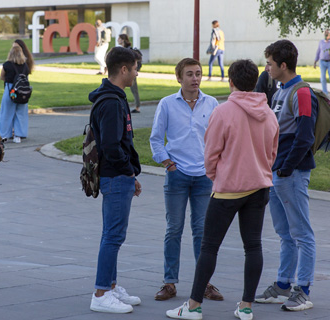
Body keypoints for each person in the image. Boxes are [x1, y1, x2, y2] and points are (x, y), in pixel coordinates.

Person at [166, 59, 279, 320]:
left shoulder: (223, 111)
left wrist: (219, 177)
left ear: (231, 82)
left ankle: (193, 306)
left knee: (209, 247)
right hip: (259, 187)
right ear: (255, 82)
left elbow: (211, 154)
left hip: (228, 189)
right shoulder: (269, 113)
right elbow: (272, 153)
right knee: (253, 246)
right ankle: (246, 306)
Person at [150, 58, 223, 302]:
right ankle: (169, 282)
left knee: (202, 232)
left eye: (198, 73)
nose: (195, 78)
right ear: (179, 78)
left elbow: (219, 138)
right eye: (190, 74)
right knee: (174, 228)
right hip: (177, 175)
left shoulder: (212, 103)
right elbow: (156, 139)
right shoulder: (167, 104)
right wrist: (167, 163)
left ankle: (204, 284)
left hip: (204, 177)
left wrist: (214, 166)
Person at [255, 40, 318, 312]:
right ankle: (282, 285)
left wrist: (285, 168)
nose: (266, 68)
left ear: (283, 65)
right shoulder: (280, 90)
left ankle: (302, 289)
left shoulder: (302, 93)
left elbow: (305, 137)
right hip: (277, 173)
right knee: (284, 233)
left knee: (301, 233)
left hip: (289, 173)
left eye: (269, 63)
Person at [88, 46, 142, 314]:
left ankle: (110, 286)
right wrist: (129, 171)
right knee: (113, 236)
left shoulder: (112, 97)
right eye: (134, 69)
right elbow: (111, 145)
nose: (135, 74)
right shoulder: (111, 102)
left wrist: (130, 172)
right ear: (123, 69)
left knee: (111, 234)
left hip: (116, 175)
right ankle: (100, 293)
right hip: (115, 175)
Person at [0, 43, 30, 143]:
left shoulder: (7, 65)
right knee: (21, 114)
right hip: (22, 92)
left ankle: (4, 135)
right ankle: (18, 135)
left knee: (6, 113)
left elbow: (2, 77)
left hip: (10, 90)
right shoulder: (25, 65)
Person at [118, 34, 142, 113]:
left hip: (130, 71)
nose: (118, 40)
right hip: (125, 71)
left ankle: (137, 107)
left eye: (119, 38)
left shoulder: (127, 50)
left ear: (123, 40)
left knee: (134, 89)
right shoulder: (124, 49)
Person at [314, 29, 330, 94]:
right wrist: (315, 61)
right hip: (322, 61)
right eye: (325, 33)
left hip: (329, 62)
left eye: (327, 33)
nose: (326, 35)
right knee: (323, 77)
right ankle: (325, 91)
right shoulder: (321, 42)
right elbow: (318, 51)